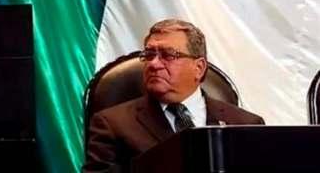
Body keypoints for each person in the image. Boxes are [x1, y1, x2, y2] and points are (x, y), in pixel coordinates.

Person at [83, 19, 264, 173]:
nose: (153, 64)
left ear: (199, 67)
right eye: (149, 55)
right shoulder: (112, 125)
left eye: (168, 55)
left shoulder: (247, 124)